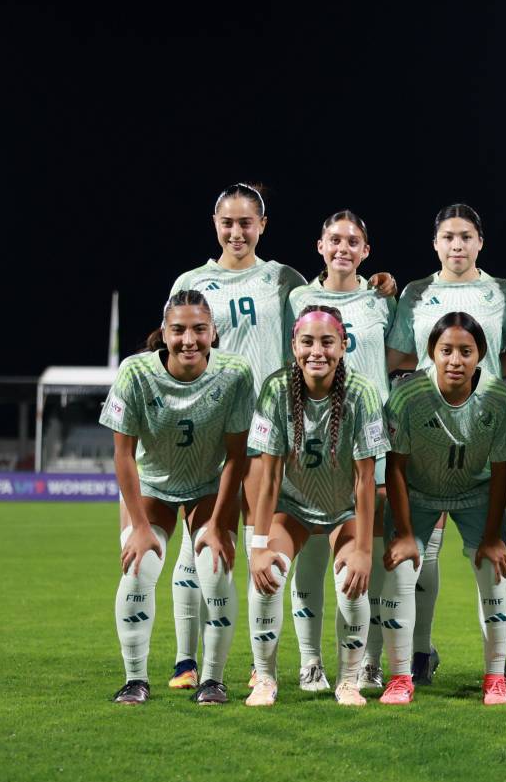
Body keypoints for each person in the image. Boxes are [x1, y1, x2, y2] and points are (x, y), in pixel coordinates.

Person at [161, 183, 306, 692]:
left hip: (269, 427)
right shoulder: (191, 281)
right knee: (197, 544)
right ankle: (185, 661)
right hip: (210, 428)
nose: (237, 232)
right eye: (228, 222)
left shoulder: (284, 280)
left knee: (259, 543)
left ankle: (259, 664)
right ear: (215, 224)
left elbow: (314, 333)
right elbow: (177, 352)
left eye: (246, 222)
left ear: (262, 225)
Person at [384, 204, 506, 684]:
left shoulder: (503, 292)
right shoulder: (415, 293)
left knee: (492, 559)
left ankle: (498, 667)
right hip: (425, 433)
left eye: (466, 236)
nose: (457, 244)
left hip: (481, 433)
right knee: (422, 554)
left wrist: (479, 386)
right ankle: (419, 653)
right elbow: (395, 353)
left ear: (480, 242)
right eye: (448, 236)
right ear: (435, 243)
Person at [101, 290, 253, 705]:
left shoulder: (235, 373)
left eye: (199, 329)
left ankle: (213, 680)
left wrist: (218, 524)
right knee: (138, 570)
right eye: (179, 330)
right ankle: (135, 680)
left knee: (215, 570)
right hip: (152, 487)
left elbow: (237, 456)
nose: (189, 340)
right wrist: (138, 526)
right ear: (164, 333)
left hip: (208, 485)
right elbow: (123, 454)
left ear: (213, 332)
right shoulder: (135, 372)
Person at [244, 305, 387, 707]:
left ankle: (348, 682)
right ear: (294, 346)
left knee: (351, 583)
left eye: (327, 341)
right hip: (293, 507)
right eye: (307, 342)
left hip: (344, 508)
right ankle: (265, 679)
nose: (317, 351)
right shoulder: (276, 388)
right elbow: (269, 478)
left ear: (343, 345)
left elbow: (365, 479)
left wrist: (363, 551)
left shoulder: (362, 392)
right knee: (268, 574)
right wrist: (258, 545)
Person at [285, 210, 399, 694]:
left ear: (366, 251)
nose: (343, 248)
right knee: (312, 552)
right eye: (334, 239)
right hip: (313, 438)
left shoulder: (381, 300)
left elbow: (399, 355)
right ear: (320, 246)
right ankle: (310, 662)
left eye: (353, 241)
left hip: (372, 439)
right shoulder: (298, 299)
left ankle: (369, 661)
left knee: (368, 552)